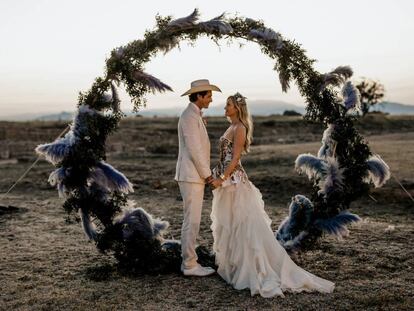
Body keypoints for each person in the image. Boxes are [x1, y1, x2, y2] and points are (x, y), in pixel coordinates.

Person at [210, 92, 335, 297]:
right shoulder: (231, 126)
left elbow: (235, 160)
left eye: (229, 104)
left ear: (237, 108)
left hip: (234, 182)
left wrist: (221, 178)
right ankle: (235, 267)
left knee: (243, 225)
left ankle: (252, 269)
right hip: (227, 181)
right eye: (226, 104)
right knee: (231, 223)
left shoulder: (240, 128)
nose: (225, 107)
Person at [175, 79, 221, 276]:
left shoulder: (194, 116)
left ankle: (190, 262)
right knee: (191, 221)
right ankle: (189, 265)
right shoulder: (189, 117)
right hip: (191, 176)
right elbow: (195, 150)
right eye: (209, 95)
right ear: (200, 96)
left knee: (192, 220)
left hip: (193, 176)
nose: (211, 99)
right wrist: (208, 176)